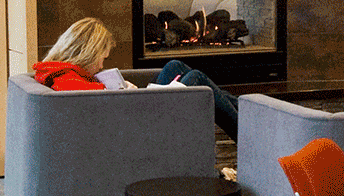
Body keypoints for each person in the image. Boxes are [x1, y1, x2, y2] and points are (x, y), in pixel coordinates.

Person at [32, 17, 239, 140]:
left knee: (174, 65)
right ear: (86, 54)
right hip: (137, 126)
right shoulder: (66, 78)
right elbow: (101, 108)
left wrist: (119, 87)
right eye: (101, 58)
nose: (102, 65)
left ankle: (248, 110)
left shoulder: (59, 70)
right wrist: (124, 92)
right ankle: (248, 131)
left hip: (134, 113)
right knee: (195, 78)